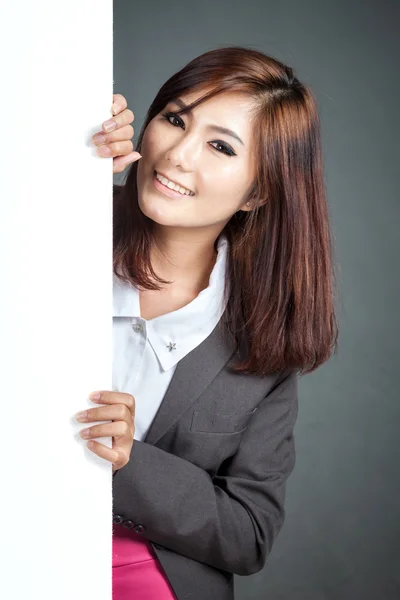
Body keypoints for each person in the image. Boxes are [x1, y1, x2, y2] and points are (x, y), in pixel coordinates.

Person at [75, 46, 338, 600]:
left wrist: (131, 462)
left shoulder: (261, 344)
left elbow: (249, 535)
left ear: (259, 191)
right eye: (174, 119)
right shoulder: (61, 219)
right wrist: (62, 162)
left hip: (144, 573)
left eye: (220, 146)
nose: (176, 154)